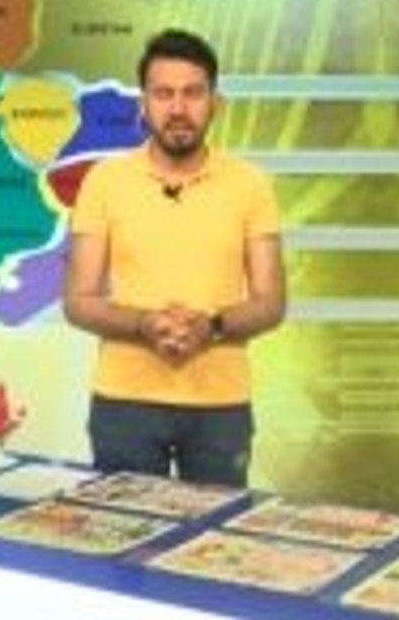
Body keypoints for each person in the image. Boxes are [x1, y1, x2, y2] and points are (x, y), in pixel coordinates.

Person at [63, 28, 286, 487]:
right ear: (143, 104)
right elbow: (78, 301)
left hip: (220, 406)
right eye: (163, 94)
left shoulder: (251, 184)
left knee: (215, 533)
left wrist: (212, 327)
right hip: (125, 401)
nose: (178, 108)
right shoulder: (105, 180)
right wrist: (143, 324)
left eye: (193, 93)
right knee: (123, 530)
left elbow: (271, 302)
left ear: (215, 103)